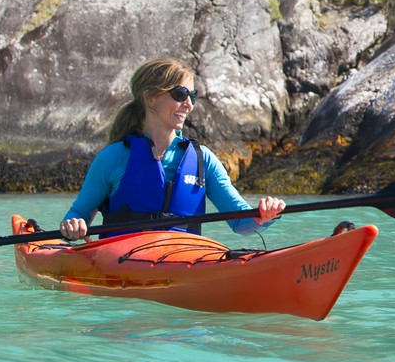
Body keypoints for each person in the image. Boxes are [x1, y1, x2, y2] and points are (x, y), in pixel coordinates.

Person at [58, 57, 285, 241]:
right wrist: (73, 226)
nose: (189, 104)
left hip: (184, 262)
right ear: (151, 99)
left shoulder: (203, 160)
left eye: (192, 96)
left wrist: (265, 215)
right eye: (180, 95)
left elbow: (240, 221)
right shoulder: (113, 158)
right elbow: (77, 214)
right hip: (123, 264)